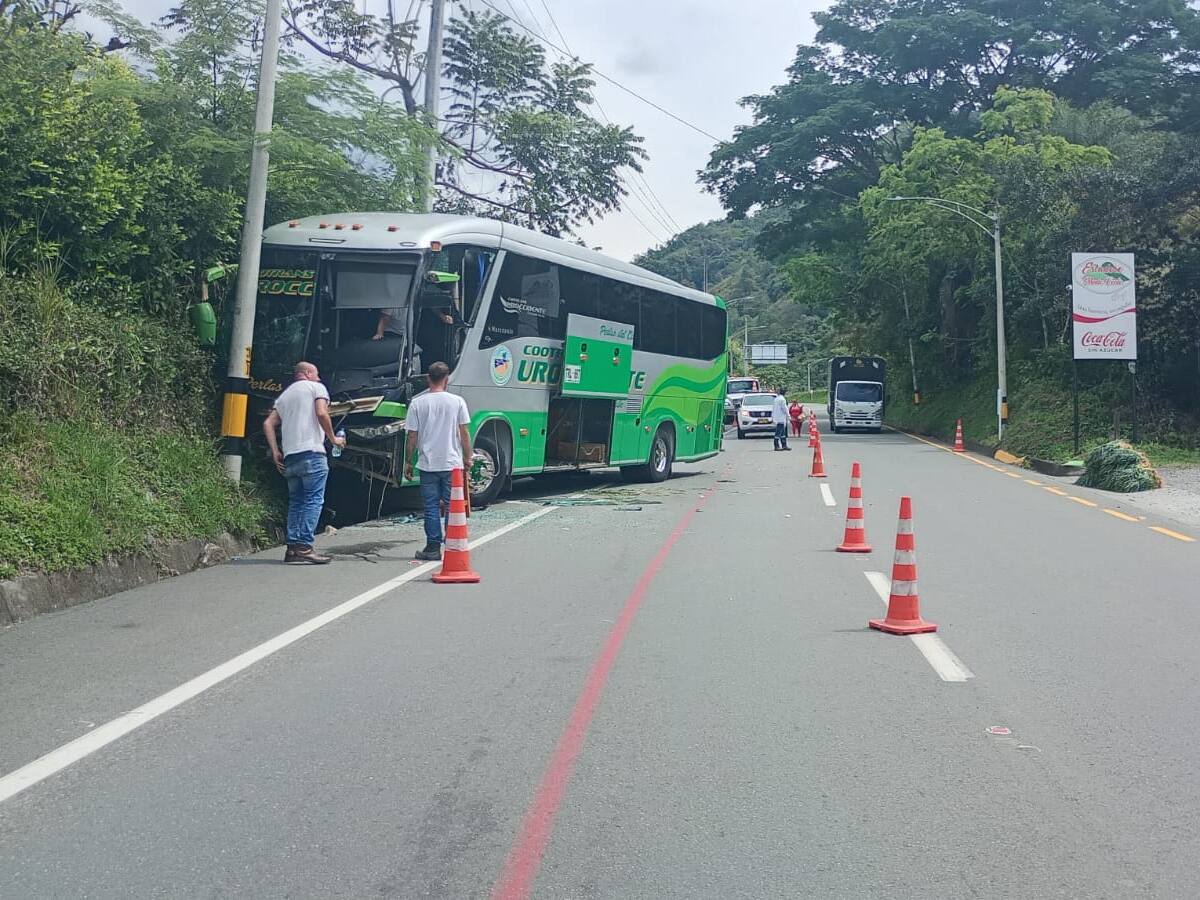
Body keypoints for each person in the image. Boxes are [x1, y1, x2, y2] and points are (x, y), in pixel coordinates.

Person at [263, 362, 346, 564]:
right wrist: (333, 438)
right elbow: (321, 413)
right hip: (312, 453)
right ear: (307, 374)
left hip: (290, 457)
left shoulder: (286, 395)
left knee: (297, 502)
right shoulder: (316, 388)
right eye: (316, 374)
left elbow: (268, 423)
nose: (319, 378)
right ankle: (305, 547)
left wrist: (275, 451)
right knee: (313, 500)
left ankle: (292, 548)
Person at [402, 361, 472, 561]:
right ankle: (452, 544)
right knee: (452, 505)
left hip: (427, 464)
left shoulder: (417, 403)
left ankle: (432, 547)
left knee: (431, 506)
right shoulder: (457, 401)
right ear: (447, 379)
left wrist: (408, 461)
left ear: (427, 379)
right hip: (452, 463)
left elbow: (412, 436)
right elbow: (464, 432)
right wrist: (468, 457)